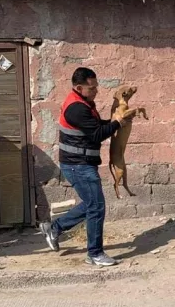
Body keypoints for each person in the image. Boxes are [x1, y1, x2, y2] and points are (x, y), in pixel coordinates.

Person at [39, 67, 135, 266]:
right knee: (97, 206)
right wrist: (117, 123)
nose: (96, 91)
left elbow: (96, 126)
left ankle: (54, 228)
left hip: (80, 163)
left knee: (92, 204)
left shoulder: (84, 103)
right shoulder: (77, 108)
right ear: (79, 88)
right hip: (78, 166)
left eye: (96, 86)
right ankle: (95, 253)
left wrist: (116, 122)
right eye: (92, 88)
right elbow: (97, 134)